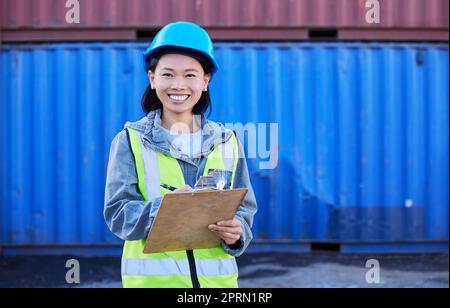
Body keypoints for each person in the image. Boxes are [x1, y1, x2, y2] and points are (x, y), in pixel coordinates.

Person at [103, 21, 257, 288]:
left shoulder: (228, 141)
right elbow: (118, 214)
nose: (178, 85)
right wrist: (165, 211)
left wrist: (237, 232)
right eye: (167, 74)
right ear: (152, 79)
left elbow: (244, 208)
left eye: (190, 75)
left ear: (205, 81)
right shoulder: (130, 141)